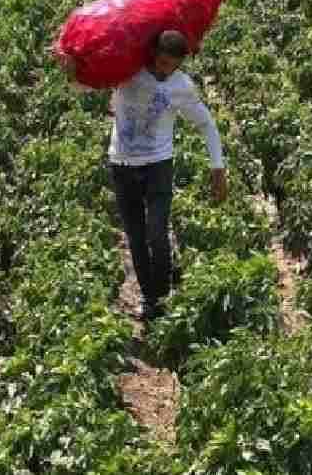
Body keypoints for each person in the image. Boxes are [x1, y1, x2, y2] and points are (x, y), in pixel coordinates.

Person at [57, 30, 228, 322]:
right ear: (152, 55)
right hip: (122, 164)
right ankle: (149, 297)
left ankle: (161, 293)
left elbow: (207, 124)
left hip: (158, 165)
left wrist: (217, 168)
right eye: (162, 63)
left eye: (172, 66)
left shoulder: (181, 86)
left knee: (157, 233)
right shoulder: (128, 71)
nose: (165, 71)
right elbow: (85, 86)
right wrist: (70, 70)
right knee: (136, 236)